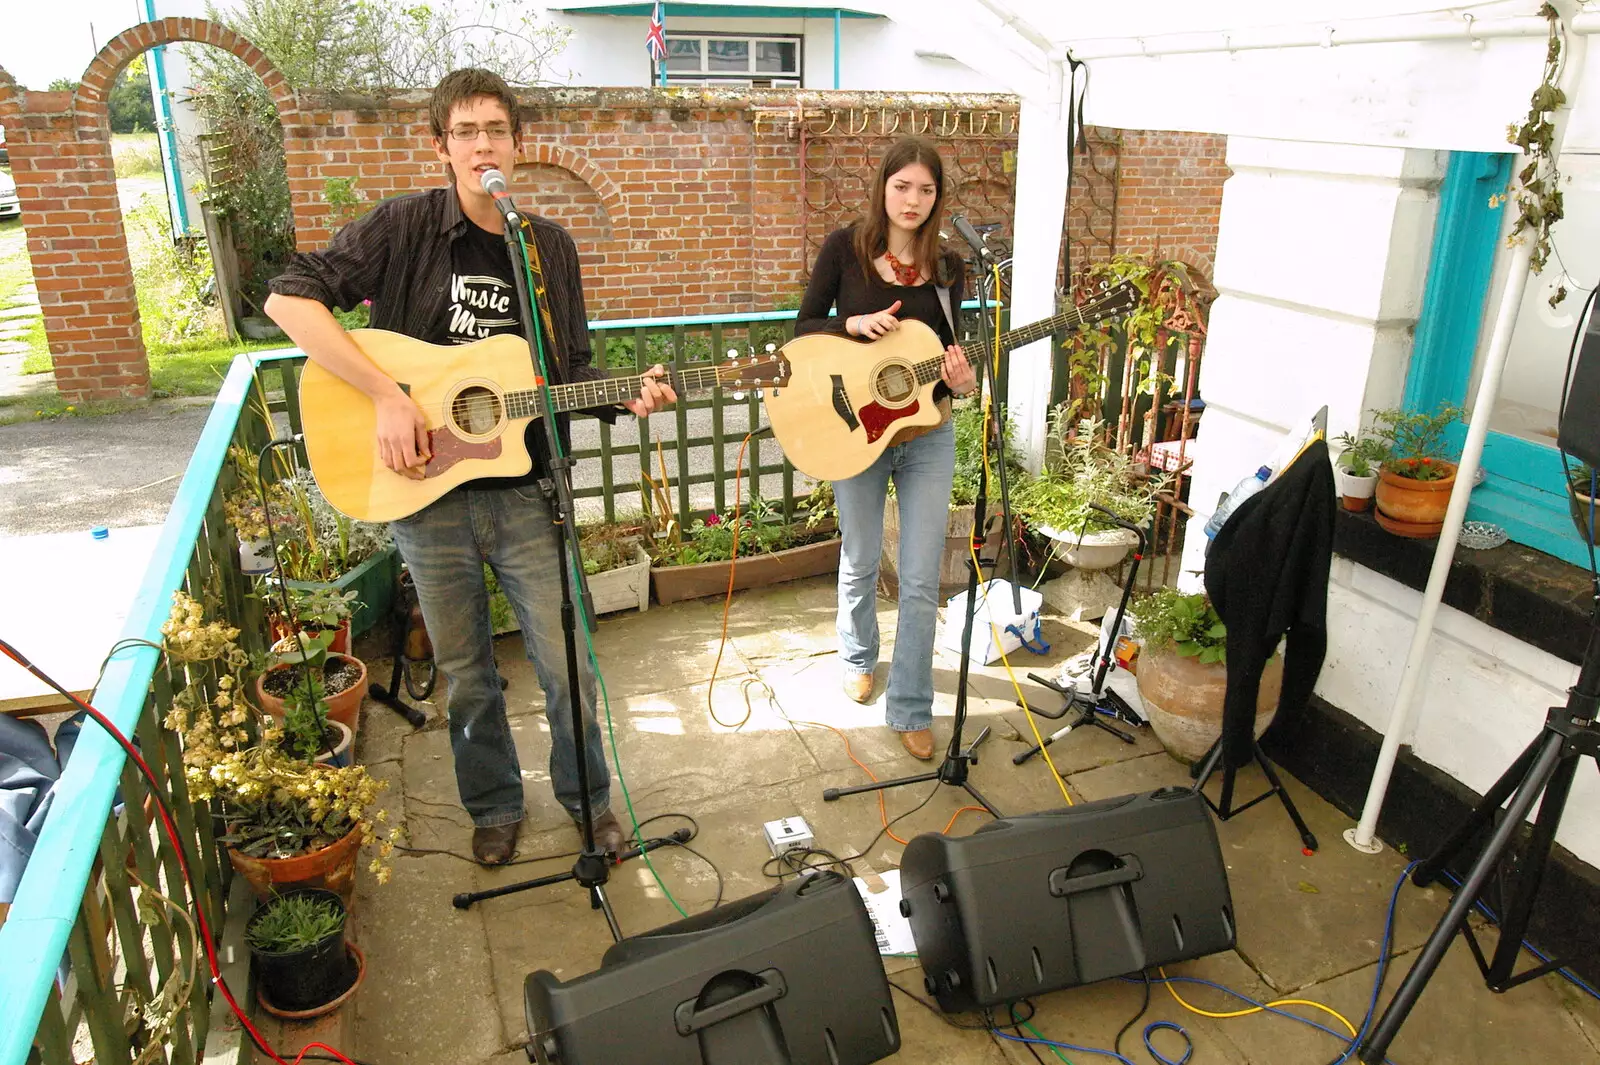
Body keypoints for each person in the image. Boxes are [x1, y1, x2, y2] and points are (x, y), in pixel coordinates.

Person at [264, 68, 676, 865]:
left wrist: (627, 395)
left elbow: (564, 373)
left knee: (567, 665)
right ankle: (492, 805)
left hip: (528, 494)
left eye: (495, 129)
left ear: (518, 145)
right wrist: (386, 395)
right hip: (428, 497)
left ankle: (590, 803)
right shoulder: (405, 227)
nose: (481, 143)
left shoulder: (545, 245)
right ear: (442, 145)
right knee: (467, 671)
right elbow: (289, 298)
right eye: (465, 131)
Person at [793, 137, 977, 761]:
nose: (913, 200)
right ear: (883, 188)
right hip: (860, 430)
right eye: (903, 187)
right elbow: (802, 328)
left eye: (926, 190)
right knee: (862, 556)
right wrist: (848, 326)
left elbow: (957, 351)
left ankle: (910, 707)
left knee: (922, 579)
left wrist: (964, 382)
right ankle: (857, 655)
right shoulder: (845, 248)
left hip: (929, 433)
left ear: (937, 197)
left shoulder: (950, 267)